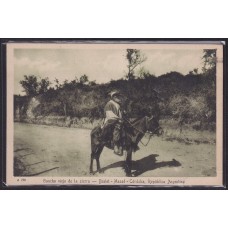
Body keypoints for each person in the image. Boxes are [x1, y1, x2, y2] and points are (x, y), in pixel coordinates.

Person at [101, 90, 125, 156]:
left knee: (125, 126)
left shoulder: (118, 105)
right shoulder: (109, 104)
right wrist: (119, 119)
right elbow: (109, 114)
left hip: (117, 120)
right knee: (117, 127)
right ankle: (115, 145)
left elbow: (120, 114)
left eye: (118, 96)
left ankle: (122, 145)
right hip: (110, 120)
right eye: (117, 96)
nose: (119, 98)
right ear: (113, 97)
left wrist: (122, 117)